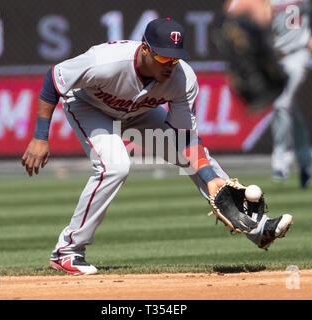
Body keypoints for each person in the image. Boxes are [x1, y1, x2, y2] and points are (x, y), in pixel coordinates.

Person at [21, 18, 293, 275]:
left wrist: (210, 179)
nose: (169, 64)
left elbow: (186, 137)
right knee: (115, 166)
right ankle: (66, 251)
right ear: (144, 50)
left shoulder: (183, 79)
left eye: (175, 58)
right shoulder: (104, 62)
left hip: (137, 113)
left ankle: (258, 229)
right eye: (162, 56)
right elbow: (54, 79)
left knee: (200, 159)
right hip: (89, 108)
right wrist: (40, 137)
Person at [269, 0, 312, 188]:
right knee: (289, 107)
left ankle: (281, 158)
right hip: (273, 56)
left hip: (297, 53)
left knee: (281, 103)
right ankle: (305, 156)